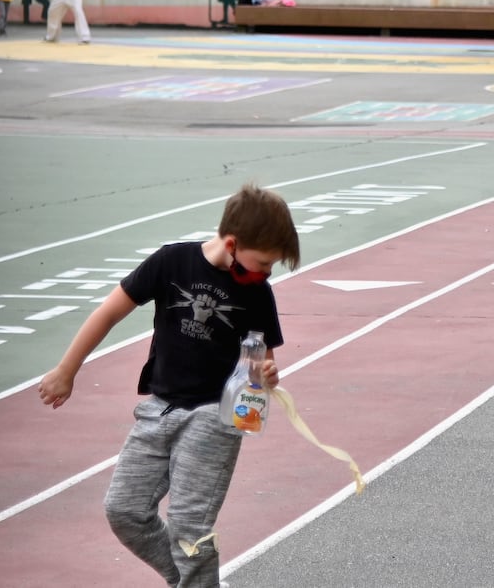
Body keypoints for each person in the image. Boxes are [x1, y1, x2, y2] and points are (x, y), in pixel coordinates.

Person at [37, 184, 300, 588]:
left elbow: (262, 359)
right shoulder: (171, 262)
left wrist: (266, 374)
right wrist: (66, 369)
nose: (265, 272)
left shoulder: (257, 293)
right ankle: (194, 583)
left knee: (188, 528)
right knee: (124, 510)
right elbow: (109, 312)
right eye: (262, 262)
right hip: (158, 408)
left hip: (214, 415)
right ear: (232, 243)